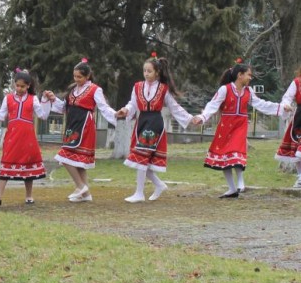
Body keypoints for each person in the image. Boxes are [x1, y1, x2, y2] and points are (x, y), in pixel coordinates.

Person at [192, 60, 291, 198]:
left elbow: (261, 104)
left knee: (237, 151)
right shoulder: (225, 89)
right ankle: (232, 189)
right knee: (224, 155)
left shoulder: (248, 92)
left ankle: (240, 182)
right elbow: (212, 105)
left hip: (240, 125)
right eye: (248, 75)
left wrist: (280, 108)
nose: (250, 78)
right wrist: (202, 117)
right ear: (240, 75)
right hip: (226, 126)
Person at [116, 54, 193, 203]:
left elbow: (174, 107)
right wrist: (125, 110)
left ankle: (139, 193)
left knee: (141, 156)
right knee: (143, 160)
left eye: (149, 71)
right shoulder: (137, 86)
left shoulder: (163, 89)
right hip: (142, 121)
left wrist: (190, 118)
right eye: (144, 71)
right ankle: (159, 185)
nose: (146, 74)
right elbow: (133, 103)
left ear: (157, 72)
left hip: (154, 123)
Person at [43, 59, 117, 203]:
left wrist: (117, 118)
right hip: (72, 125)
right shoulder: (72, 90)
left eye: (79, 77)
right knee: (78, 162)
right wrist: (53, 99)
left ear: (87, 76)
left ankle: (80, 186)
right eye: (75, 76)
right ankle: (86, 194)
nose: (76, 79)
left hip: (84, 126)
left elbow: (104, 108)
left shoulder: (95, 90)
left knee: (63, 157)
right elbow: (63, 108)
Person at [0, 70, 50, 205]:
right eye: (17, 85)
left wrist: (46, 100)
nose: (19, 88)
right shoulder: (8, 98)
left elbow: (43, 115)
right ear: (14, 84)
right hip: (12, 137)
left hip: (28, 138)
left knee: (28, 165)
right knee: (6, 161)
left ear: (28, 86)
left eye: (22, 86)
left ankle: (29, 196)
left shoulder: (33, 99)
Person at [274, 68, 301, 187]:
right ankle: (300, 177)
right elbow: (287, 97)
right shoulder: (297, 82)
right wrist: (286, 105)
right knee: (298, 149)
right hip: (300, 119)